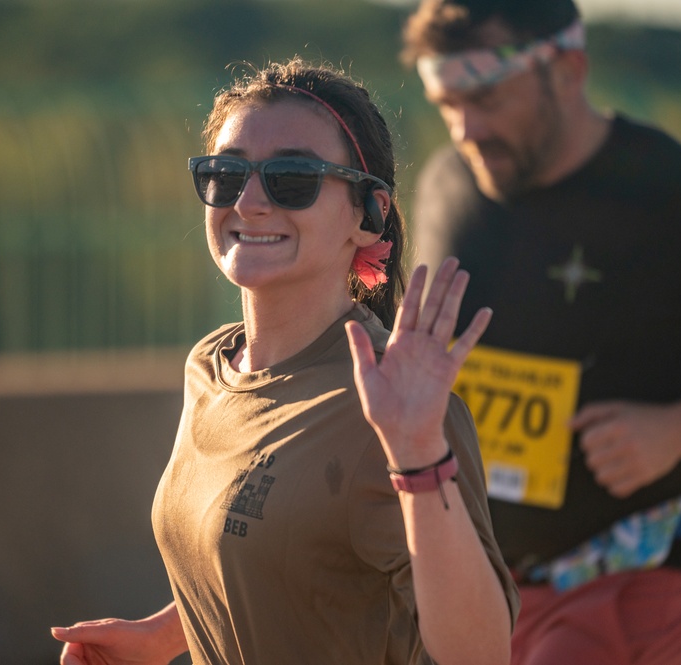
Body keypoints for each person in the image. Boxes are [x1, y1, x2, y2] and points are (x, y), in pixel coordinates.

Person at [52, 58, 519, 664]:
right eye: (224, 174)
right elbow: (290, 559)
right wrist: (167, 635)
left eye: (292, 177)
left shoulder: (391, 402)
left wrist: (418, 451)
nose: (248, 202)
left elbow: (480, 655)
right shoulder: (211, 365)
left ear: (367, 212)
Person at [399, 1, 681, 663]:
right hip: (482, 579)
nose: (466, 129)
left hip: (636, 571)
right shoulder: (443, 183)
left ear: (568, 69)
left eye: (486, 97)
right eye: (445, 103)